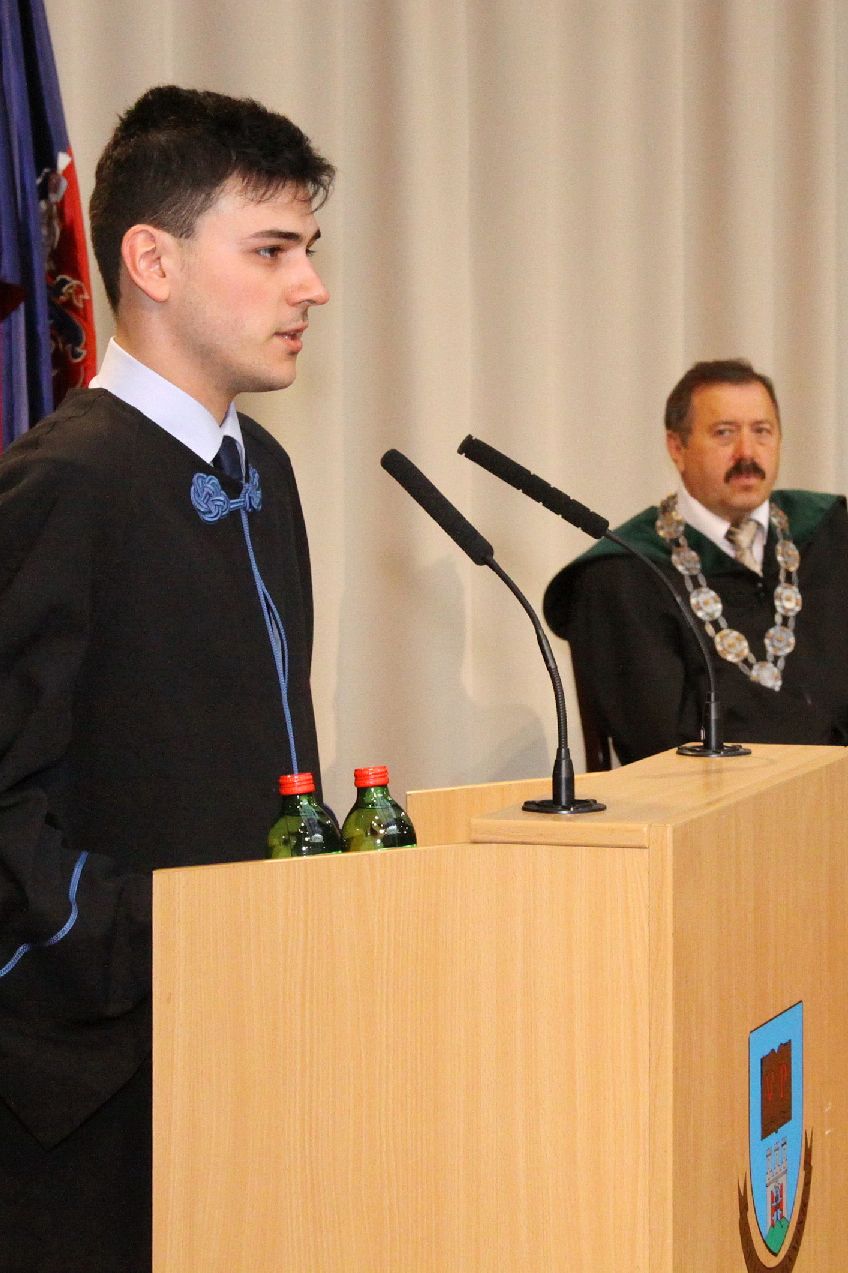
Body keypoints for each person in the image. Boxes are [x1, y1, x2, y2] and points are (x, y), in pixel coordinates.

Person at [0, 86, 334, 1271]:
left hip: (247, 1042)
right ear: (151, 260)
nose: (311, 286)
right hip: (92, 1088)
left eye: (309, 249)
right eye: (272, 251)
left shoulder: (266, 471)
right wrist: (159, 938)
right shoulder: (64, 483)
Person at [543, 359, 848, 765]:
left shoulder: (829, 532)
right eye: (724, 433)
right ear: (677, 447)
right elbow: (658, 739)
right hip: (721, 797)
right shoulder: (624, 573)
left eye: (762, 431)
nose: (747, 453)